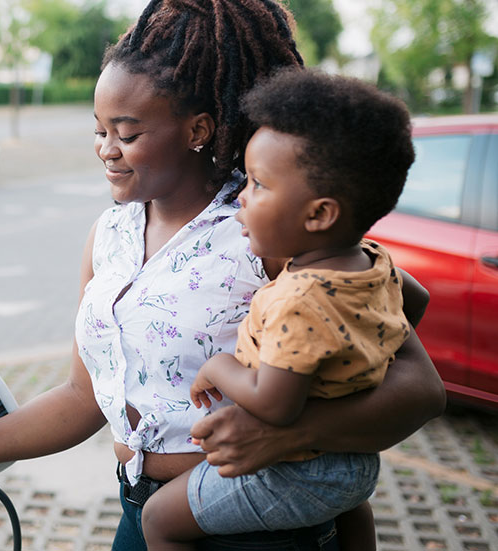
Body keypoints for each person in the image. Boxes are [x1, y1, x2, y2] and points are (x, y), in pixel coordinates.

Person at [0, 1, 447, 549]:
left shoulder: (267, 228)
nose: (107, 150)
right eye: (99, 129)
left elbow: (418, 387)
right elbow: (83, 398)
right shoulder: (110, 236)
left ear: (197, 129)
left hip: (257, 527)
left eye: (127, 133)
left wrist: (289, 433)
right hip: (142, 513)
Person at [139, 68, 418, 551]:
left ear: (318, 214)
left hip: (298, 468)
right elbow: (417, 303)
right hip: (354, 461)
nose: (241, 197)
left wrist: (219, 365)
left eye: (258, 185)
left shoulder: (301, 298)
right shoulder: (372, 262)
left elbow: (274, 404)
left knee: (160, 520)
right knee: (349, 513)